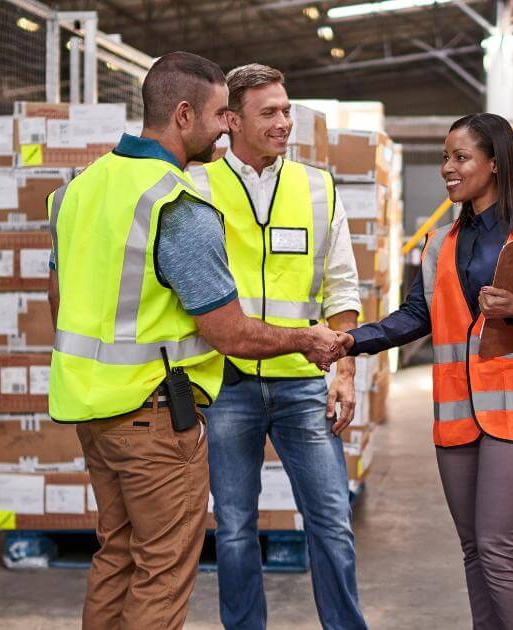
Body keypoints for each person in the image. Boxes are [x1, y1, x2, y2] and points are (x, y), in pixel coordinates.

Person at [45, 52, 345, 630]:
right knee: (162, 570)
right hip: (154, 419)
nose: (226, 127)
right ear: (184, 115)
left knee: (117, 556)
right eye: (218, 115)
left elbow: (60, 300)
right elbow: (228, 331)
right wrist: (305, 341)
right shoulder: (176, 202)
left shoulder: (78, 189)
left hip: (91, 411)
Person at [341, 113, 513, 630]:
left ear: (495, 163)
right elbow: (417, 316)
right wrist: (352, 340)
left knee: (500, 549)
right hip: (459, 415)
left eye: (460, 158)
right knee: (475, 551)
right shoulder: (441, 242)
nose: (447, 169)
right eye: (445, 158)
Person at [186, 63, 368, 630]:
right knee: (236, 529)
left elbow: (342, 284)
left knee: (332, 521)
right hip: (227, 382)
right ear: (232, 121)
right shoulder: (196, 186)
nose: (284, 122)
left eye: (287, 110)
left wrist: (344, 373)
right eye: (269, 112)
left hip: (302, 382)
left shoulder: (317, 187)